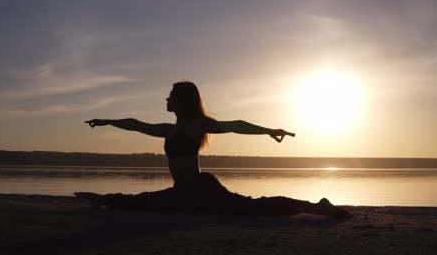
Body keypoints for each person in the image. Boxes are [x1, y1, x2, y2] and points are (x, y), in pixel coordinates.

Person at [75, 81, 352, 218]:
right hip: (183, 191)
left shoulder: (197, 125)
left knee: (253, 208)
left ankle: (318, 207)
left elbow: (236, 124)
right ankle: (104, 199)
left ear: (182, 100)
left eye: (171, 95)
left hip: (200, 188)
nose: (166, 98)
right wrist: (106, 121)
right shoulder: (169, 129)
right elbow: (136, 124)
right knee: (149, 201)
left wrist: (268, 130)